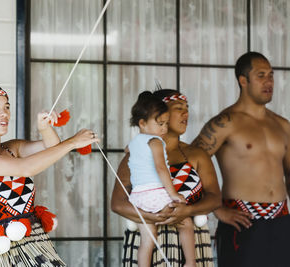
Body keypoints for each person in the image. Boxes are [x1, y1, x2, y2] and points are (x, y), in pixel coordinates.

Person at [0, 83, 99, 266]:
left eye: (7, 107)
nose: (4, 113)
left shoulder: (12, 147)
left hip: (36, 245)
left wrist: (44, 128)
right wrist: (72, 142)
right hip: (4, 253)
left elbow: (51, 147)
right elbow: (25, 168)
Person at [192, 52, 290, 267]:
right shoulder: (225, 123)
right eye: (261, 75)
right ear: (243, 80)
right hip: (241, 222)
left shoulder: (283, 125)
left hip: (282, 221)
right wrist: (217, 209)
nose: (269, 82)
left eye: (271, 75)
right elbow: (188, 166)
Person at [111, 89, 221, 267]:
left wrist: (188, 211)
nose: (186, 113)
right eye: (178, 108)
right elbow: (117, 204)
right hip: (148, 243)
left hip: (191, 245)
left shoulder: (197, 155)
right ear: (158, 113)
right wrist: (152, 217)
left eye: (187, 108)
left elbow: (215, 198)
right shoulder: (136, 156)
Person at [127, 91, 195, 267]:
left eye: (165, 124)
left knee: (148, 240)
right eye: (160, 124)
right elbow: (161, 168)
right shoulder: (156, 142)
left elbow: (127, 151)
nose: (164, 129)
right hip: (154, 194)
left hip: (138, 198)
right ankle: (190, 262)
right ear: (142, 123)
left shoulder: (133, 143)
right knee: (186, 222)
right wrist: (173, 194)